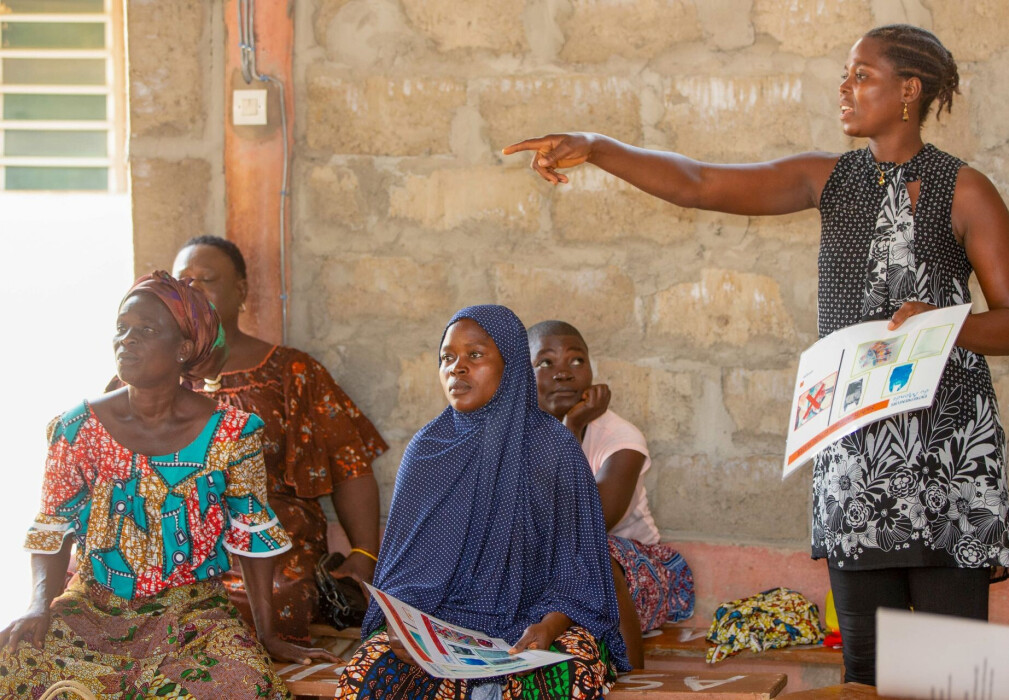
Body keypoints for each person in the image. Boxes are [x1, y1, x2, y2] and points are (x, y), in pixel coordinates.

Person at [504, 24, 1009, 685]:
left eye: (862, 75)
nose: (845, 88)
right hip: (854, 457)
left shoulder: (966, 190)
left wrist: (946, 322)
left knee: (949, 673)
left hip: (949, 458)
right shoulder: (827, 180)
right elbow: (699, 182)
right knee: (868, 671)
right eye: (844, 74)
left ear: (909, 90)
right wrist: (597, 147)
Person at [0, 271, 338, 699]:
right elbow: (53, 526)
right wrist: (38, 605)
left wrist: (266, 634)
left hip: (192, 614)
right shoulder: (76, 428)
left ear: (183, 349)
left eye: (144, 330)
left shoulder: (231, 434)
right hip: (93, 608)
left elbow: (251, 537)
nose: (126, 340)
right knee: (16, 661)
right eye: (121, 329)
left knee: (242, 684)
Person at [335, 305, 629, 699]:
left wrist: (548, 626)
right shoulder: (427, 451)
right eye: (446, 358)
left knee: (564, 676)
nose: (456, 368)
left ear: (510, 364)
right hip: (441, 625)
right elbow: (402, 574)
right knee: (369, 672)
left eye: (474, 355)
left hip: (536, 624)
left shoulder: (553, 448)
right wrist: (401, 628)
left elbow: (576, 570)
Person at [165, 235, 387, 642]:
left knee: (270, 601)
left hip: (272, 539)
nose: (193, 290)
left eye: (207, 279)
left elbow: (349, 462)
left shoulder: (291, 371)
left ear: (241, 291)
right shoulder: (154, 376)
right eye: (184, 281)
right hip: (175, 537)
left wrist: (364, 553)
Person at [528, 320, 694, 669]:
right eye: (545, 362)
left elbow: (591, 523)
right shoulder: (517, 435)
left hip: (633, 574)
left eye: (576, 361)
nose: (563, 373)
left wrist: (570, 429)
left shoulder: (621, 438)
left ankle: (635, 679)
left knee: (593, 552)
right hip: (560, 572)